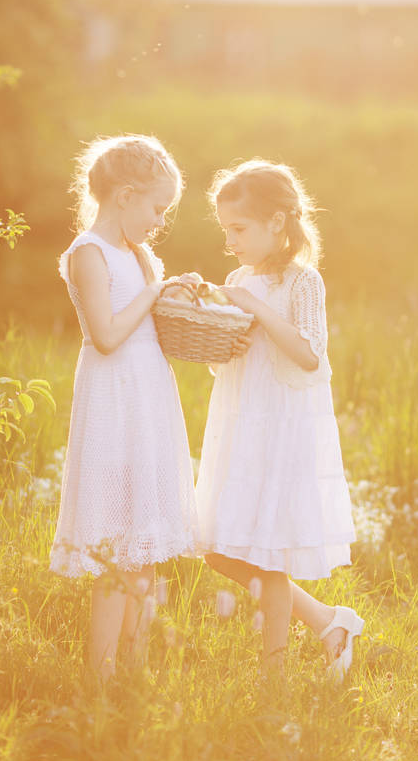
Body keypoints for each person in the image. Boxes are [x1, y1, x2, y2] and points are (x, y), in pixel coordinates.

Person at [196, 158, 364, 681]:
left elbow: (310, 353)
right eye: (226, 231)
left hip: (283, 429)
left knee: (270, 558)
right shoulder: (237, 279)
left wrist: (256, 311)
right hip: (242, 425)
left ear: (277, 221)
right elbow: (221, 362)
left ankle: (274, 679)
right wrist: (219, 331)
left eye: (239, 229)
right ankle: (329, 621)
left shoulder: (301, 281)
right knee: (217, 550)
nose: (231, 243)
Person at [50, 134, 199, 684]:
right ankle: (100, 671)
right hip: (113, 399)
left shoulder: (140, 256)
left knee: (146, 537)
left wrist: (176, 293)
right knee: (115, 542)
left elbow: (148, 322)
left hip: (148, 397)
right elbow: (107, 335)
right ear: (124, 196)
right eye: (157, 208)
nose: (160, 221)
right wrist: (156, 291)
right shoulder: (88, 253)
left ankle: (134, 665)